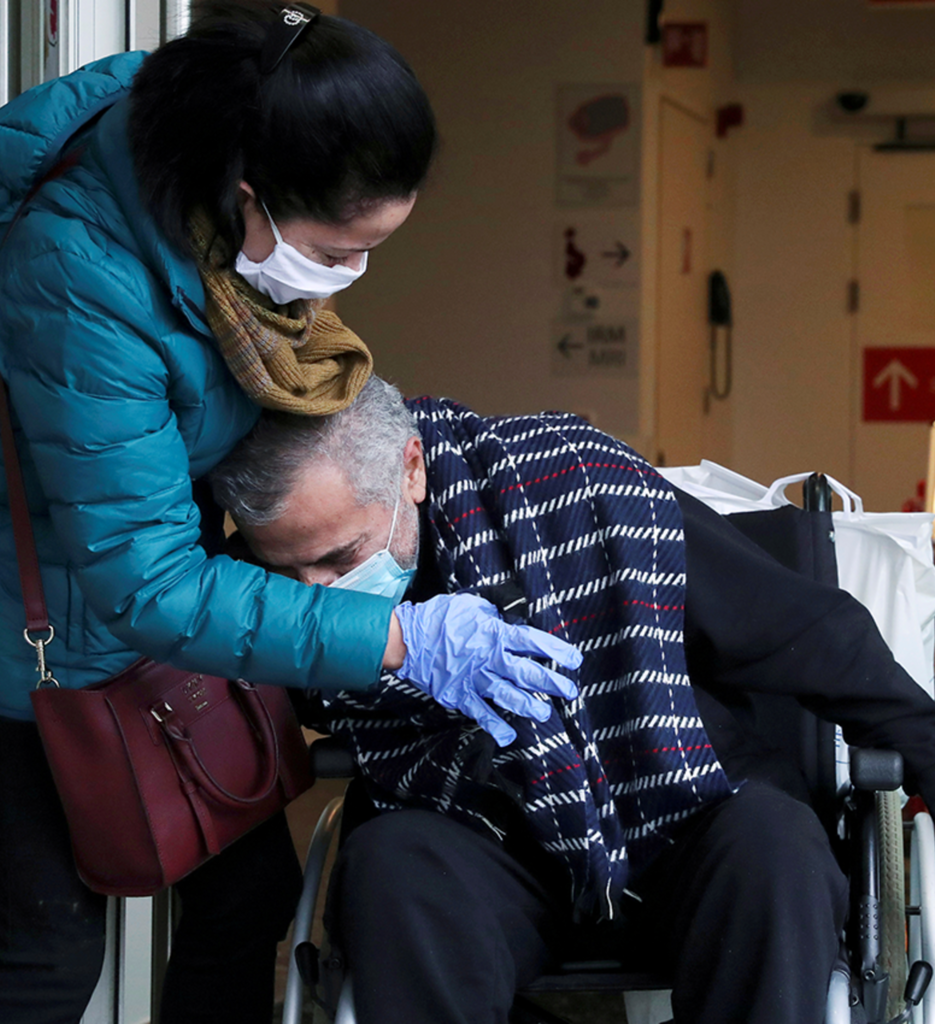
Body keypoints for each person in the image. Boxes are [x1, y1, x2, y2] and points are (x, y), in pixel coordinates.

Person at [0, 6, 577, 1024]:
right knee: (46, 957)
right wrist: (397, 637)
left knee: (246, 891)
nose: (348, 281)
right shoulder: (76, 273)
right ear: (249, 195)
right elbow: (146, 578)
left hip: (143, 635)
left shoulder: (214, 159)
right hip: (34, 651)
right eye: (338, 250)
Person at [210, 375, 935, 1024]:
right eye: (292, 573)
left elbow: (814, 635)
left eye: (341, 556)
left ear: (413, 471)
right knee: (390, 866)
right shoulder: (267, 593)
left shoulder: (576, 485)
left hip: (675, 815)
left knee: (778, 844)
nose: (320, 595)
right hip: (482, 836)